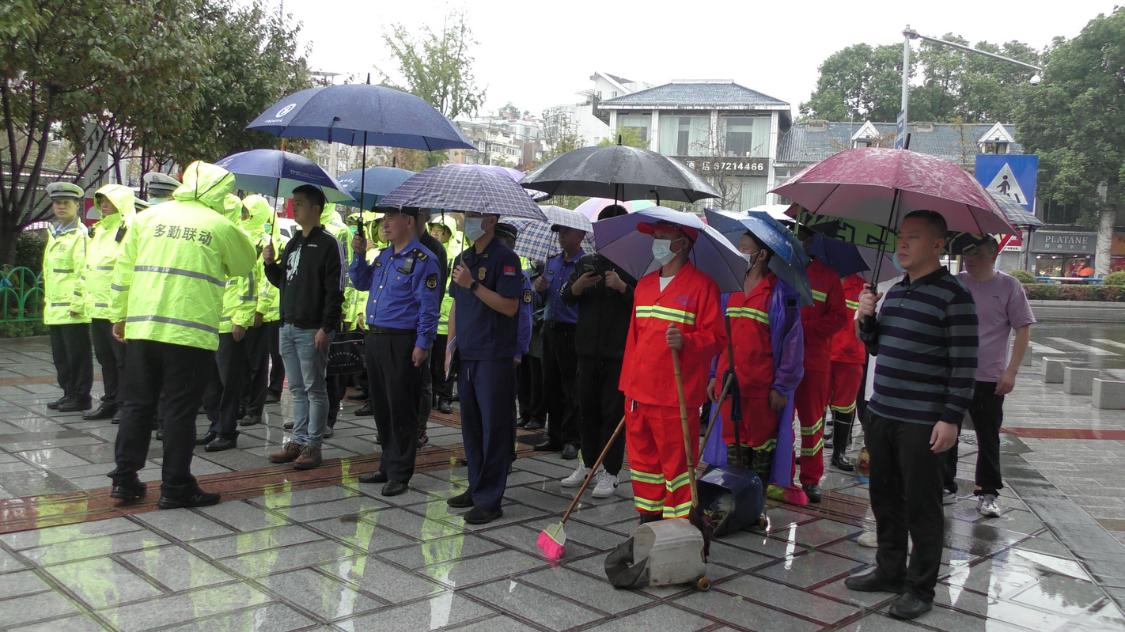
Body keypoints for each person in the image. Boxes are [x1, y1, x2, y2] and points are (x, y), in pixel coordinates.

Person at [845, 210, 978, 621]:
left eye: (914, 238)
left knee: (922, 505)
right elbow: (878, 347)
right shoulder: (895, 293)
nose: (902, 245)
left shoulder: (954, 296)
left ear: (938, 245)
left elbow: (965, 363)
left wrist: (950, 418)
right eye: (901, 237)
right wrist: (866, 318)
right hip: (883, 411)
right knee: (884, 497)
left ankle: (920, 588)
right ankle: (889, 569)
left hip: (923, 420)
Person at [107, 161, 257, 508]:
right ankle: (175, 486)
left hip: (143, 328)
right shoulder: (220, 226)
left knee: (136, 406)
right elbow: (244, 264)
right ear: (222, 192)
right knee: (178, 411)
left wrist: (119, 315)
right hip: (189, 336)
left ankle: (124, 480)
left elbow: (123, 269)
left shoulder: (145, 219)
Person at [620, 222, 723, 522]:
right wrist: (627, 386)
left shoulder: (703, 287)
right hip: (638, 393)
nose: (657, 243)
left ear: (683, 243)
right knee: (642, 463)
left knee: (677, 467)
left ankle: (678, 525)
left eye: (663, 238)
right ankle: (648, 518)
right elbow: (633, 340)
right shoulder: (645, 284)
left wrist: (688, 341)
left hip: (674, 396)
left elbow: (717, 338)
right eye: (655, 237)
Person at [349, 207, 440, 495]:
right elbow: (361, 282)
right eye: (383, 219)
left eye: (391, 218)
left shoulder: (424, 260)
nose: (384, 223)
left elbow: (428, 306)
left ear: (409, 222)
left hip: (402, 340)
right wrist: (359, 254)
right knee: (382, 405)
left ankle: (401, 471)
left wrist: (423, 343)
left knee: (402, 407)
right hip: (376, 338)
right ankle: (386, 464)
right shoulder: (384, 256)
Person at [708, 230, 804, 498]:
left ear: (761, 255)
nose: (738, 253)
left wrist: (782, 386)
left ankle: (755, 502)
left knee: (762, 447)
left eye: (743, 248)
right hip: (729, 385)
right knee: (733, 443)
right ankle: (735, 502)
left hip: (763, 389)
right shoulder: (729, 288)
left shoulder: (781, 294)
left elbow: (792, 345)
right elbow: (718, 336)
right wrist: (714, 374)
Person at [946, 233, 1034, 517]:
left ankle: (988, 492)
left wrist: (1011, 371)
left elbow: (1023, 329)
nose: (970, 260)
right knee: (947, 429)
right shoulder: (956, 283)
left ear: (993, 256)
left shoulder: (1009, 286)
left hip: (989, 375)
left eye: (977, 255)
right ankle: (944, 483)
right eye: (967, 255)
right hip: (954, 372)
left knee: (988, 435)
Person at [445, 211, 522, 525]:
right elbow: (455, 305)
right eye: (466, 215)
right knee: (472, 426)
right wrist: (450, 347)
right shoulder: (463, 257)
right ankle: (476, 487)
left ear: (490, 220)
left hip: (493, 355)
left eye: (475, 216)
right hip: (467, 352)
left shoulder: (507, 259)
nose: (467, 221)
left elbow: (509, 306)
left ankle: (491, 499)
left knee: (495, 428)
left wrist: (473, 284)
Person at [264, 185, 345, 471]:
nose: (294, 208)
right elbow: (285, 281)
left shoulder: (327, 243)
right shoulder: (294, 241)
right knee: (296, 387)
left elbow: (335, 290)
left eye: (299, 204)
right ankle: (296, 441)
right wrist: (269, 264)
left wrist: (327, 326)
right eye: (293, 203)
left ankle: (313, 444)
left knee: (314, 388)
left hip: (312, 328)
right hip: (287, 324)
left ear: (316, 208)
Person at [559, 205, 633, 497]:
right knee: (585, 410)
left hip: (617, 354)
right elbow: (565, 297)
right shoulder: (587, 262)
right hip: (587, 351)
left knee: (611, 414)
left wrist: (622, 288)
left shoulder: (634, 266)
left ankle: (611, 472)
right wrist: (577, 286)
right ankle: (587, 463)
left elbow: (643, 305)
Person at [793, 229, 847, 503]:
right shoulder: (780, 270)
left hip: (813, 362)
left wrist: (805, 328)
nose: (797, 241)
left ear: (810, 242)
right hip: (780, 362)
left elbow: (839, 318)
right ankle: (780, 473)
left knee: (812, 423)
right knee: (778, 422)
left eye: (802, 237)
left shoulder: (828, 277)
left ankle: (811, 479)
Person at [533, 224, 586, 460]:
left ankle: (572, 438)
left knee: (570, 387)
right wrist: (539, 288)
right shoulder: (552, 262)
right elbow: (540, 296)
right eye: (559, 232)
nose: (561, 236)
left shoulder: (585, 264)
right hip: (550, 327)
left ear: (580, 235)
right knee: (550, 383)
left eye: (566, 231)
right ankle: (554, 434)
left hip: (572, 330)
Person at [83, 184, 135, 421]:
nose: (104, 204)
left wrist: (121, 311)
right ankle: (111, 400)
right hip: (96, 307)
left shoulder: (129, 229)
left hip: (117, 309)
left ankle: (125, 404)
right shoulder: (98, 230)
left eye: (109, 200)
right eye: (101, 200)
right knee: (105, 359)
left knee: (123, 361)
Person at [42, 182, 93, 413]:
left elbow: (84, 272)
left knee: (77, 357)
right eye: (57, 202)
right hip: (54, 308)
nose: (61, 207)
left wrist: (78, 303)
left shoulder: (78, 236)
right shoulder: (56, 233)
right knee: (61, 357)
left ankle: (81, 396)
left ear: (76, 206)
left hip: (72, 309)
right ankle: (68, 393)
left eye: (66, 203)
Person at [240, 195, 282, 427]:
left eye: (247, 211)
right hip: (238, 311)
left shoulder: (265, 242)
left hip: (260, 314)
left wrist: (260, 309)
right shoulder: (239, 235)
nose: (243, 215)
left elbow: (267, 280)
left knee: (257, 363)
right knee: (243, 363)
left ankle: (253, 408)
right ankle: (243, 402)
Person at [413, 208, 449, 448]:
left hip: (421, 326)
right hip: (398, 327)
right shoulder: (399, 246)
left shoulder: (434, 249)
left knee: (421, 380)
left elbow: (433, 295)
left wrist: (425, 332)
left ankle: (419, 429)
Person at [826, 272, 867, 471]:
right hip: (824, 353)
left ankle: (839, 452)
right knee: (816, 408)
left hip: (850, 357)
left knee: (844, 407)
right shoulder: (826, 281)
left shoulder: (863, 288)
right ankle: (811, 453)